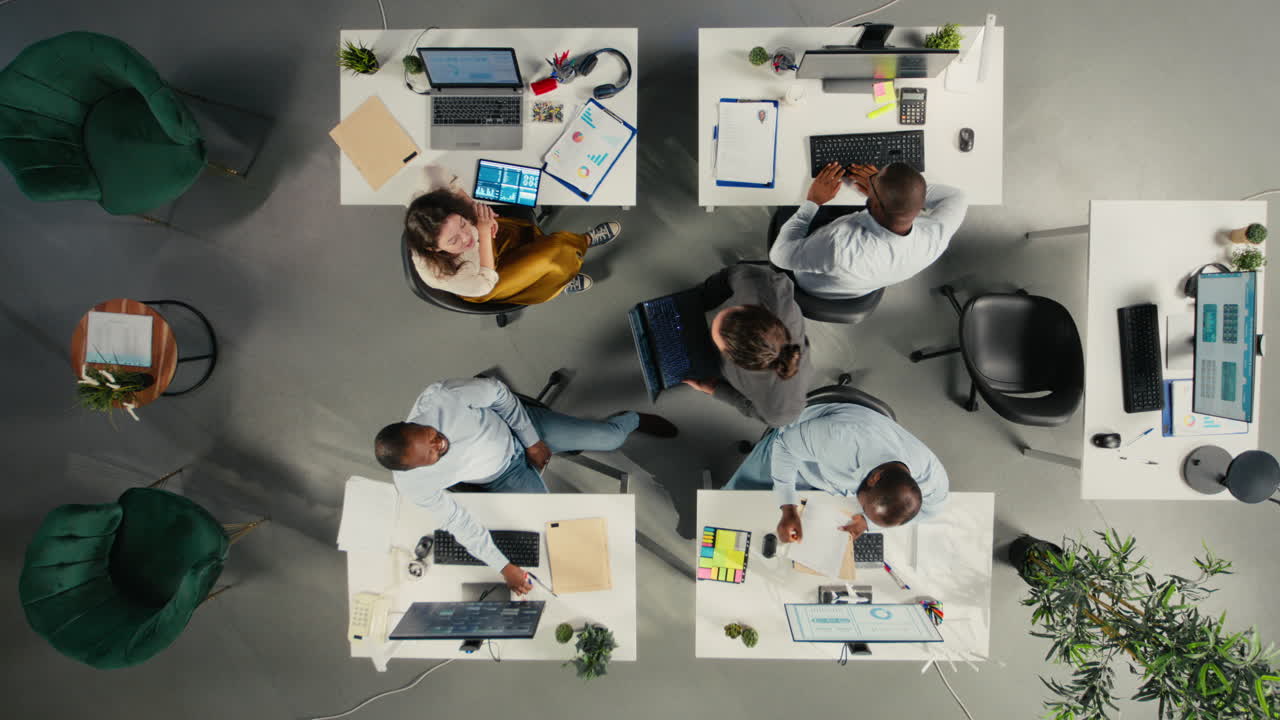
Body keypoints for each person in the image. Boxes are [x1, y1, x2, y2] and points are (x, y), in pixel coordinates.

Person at [374, 377, 677, 594]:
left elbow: (500, 394)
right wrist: (504, 567)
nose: (440, 444)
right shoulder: (413, 483)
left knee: (611, 438)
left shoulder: (441, 398)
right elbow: (459, 523)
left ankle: (630, 420)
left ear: (411, 422)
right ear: (414, 468)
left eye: (431, 434)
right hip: (502, 476)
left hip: (519, 427)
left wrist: (531, 441)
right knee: (552, 534)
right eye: (431, 455)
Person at [724, 401, 948, 545]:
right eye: (864, 507)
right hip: (799, 454)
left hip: (831, 479)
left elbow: (932, 510)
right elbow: (785, 446)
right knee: (735, 500)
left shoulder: (930, 475)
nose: (861, 508)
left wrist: (867, 523)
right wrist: (788, 507)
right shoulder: (839, 440)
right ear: (875, 477)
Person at [769, 161, 968, 299]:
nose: (872, 177)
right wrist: (892, 192)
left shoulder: (839, 246)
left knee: (790, 200)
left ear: (876, 205)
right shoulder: (936, 238)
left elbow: (778, 256)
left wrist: (812, 202)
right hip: (861, 281)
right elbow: (957, 196)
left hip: (816, 281)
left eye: (874, 179)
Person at [405, 187, 622, 304]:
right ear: (434, 249)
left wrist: (475, 207)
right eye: (453, 240)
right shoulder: (441, 274)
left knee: (526, 236)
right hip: (483, 276)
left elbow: (448, 182)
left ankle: (558, 277)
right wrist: (482, 233)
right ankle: (580, 248)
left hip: (486, 238)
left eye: (462, 223)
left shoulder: (433, 208)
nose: (465, 237)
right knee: (551, 256)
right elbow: (485, 284)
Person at [681, 264, 816, 427]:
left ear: (734, 360)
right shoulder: (768, 289)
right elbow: (733, 273)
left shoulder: (780, 408)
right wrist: (696, 299)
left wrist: (715, 389)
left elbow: (760, 413)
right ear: (752, 310)